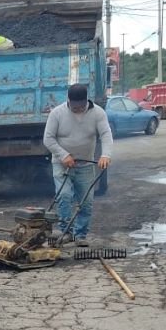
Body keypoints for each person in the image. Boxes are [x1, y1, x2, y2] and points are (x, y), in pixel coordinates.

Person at [42, 83, 112, 246]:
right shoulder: (57, 113)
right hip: (62, 164)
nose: (77, 109)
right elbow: (48, 139)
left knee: (86, 201)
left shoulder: (98, 113)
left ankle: (80, 235)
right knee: (64, 195)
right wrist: (64, 155)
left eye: (81, 106)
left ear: (86, 100)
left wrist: (106, 155)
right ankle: (66, 231)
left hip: (85, 164)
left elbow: (106, 134)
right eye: (74, 107)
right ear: (68, 100)